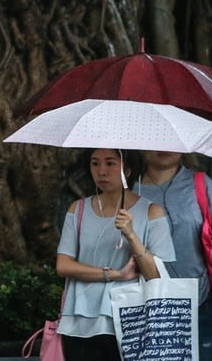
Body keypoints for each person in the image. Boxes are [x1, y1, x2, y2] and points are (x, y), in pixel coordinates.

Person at [56, 148, 175, 361]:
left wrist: (131, 235)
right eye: (95, 163)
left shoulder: (151, 211)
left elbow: (156, 275)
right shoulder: (78, 209)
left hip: (132, 321)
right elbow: (63, 265)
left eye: (110, 163)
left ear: (127, 169)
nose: (101, 171)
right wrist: (113, 274)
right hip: (80, 321)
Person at [135, 150, 212, 361]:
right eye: (157, 141)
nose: (164, 148)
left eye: (170, 142)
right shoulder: (130, 190)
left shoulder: (200, 184)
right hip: (148, 305)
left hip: (200, 304)